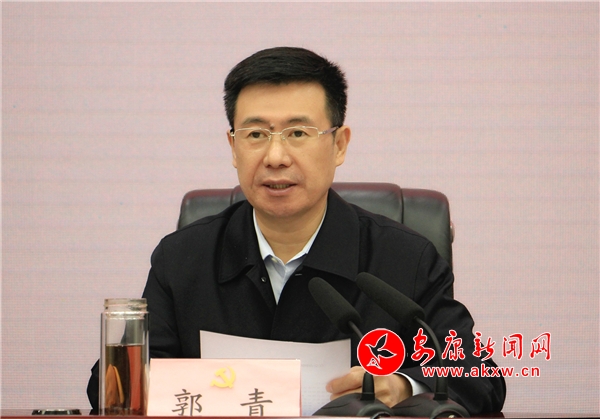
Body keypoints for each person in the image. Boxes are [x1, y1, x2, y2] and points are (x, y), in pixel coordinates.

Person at [87, 46, 505, 414]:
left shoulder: (405, 260)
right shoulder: (182, 259)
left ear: (339, 144)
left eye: (298, 133)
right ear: (233, 147)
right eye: (255, 134)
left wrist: (403, 386)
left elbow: (480, 376)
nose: (275, 156)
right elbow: (112, 389)